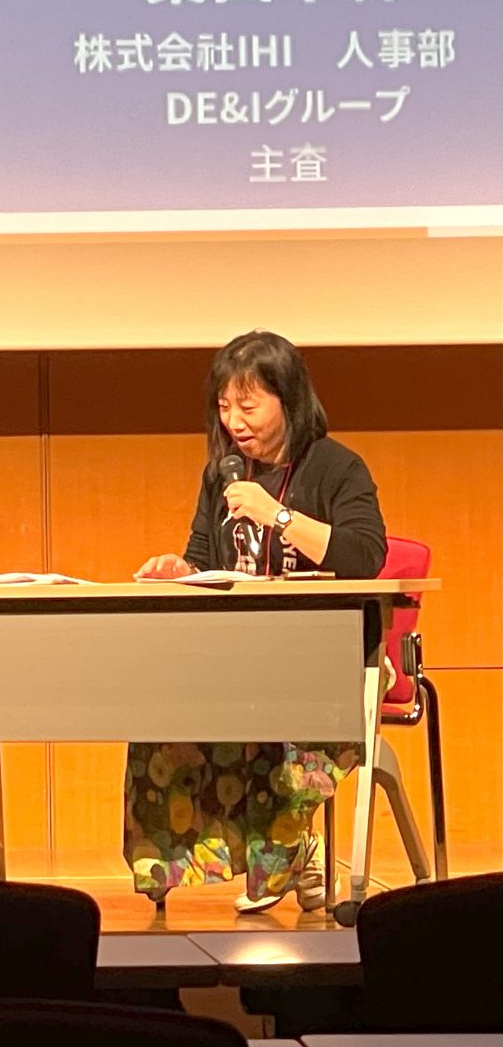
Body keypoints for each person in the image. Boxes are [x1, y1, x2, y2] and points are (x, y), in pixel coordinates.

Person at [129, 331, 387, 913]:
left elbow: (365, 556)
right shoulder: (222, 474)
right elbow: (205, 558)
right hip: (240, 656)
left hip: (327, 657)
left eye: (248, 406)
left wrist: (279, 515)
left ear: (288, 399)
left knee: (274, 712)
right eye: (224, 407)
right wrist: (179, 569)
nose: (234, 422)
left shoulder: (337, 467)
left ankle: (288, 851)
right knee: (156, 708)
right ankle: (182, 862)